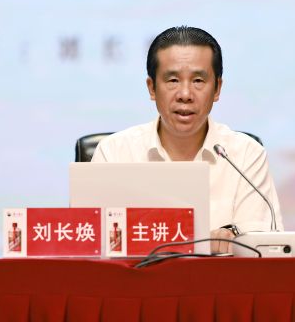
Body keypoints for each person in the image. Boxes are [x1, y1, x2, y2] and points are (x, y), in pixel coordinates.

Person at [92, 26, 284, 253]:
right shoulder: (114, 153)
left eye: (198, 81)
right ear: (152, 88)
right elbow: (91, 244)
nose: (185, 94)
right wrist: (203, 243)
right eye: (173, 80)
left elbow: (261, 249)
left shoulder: (245, 155)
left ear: (217, 89)